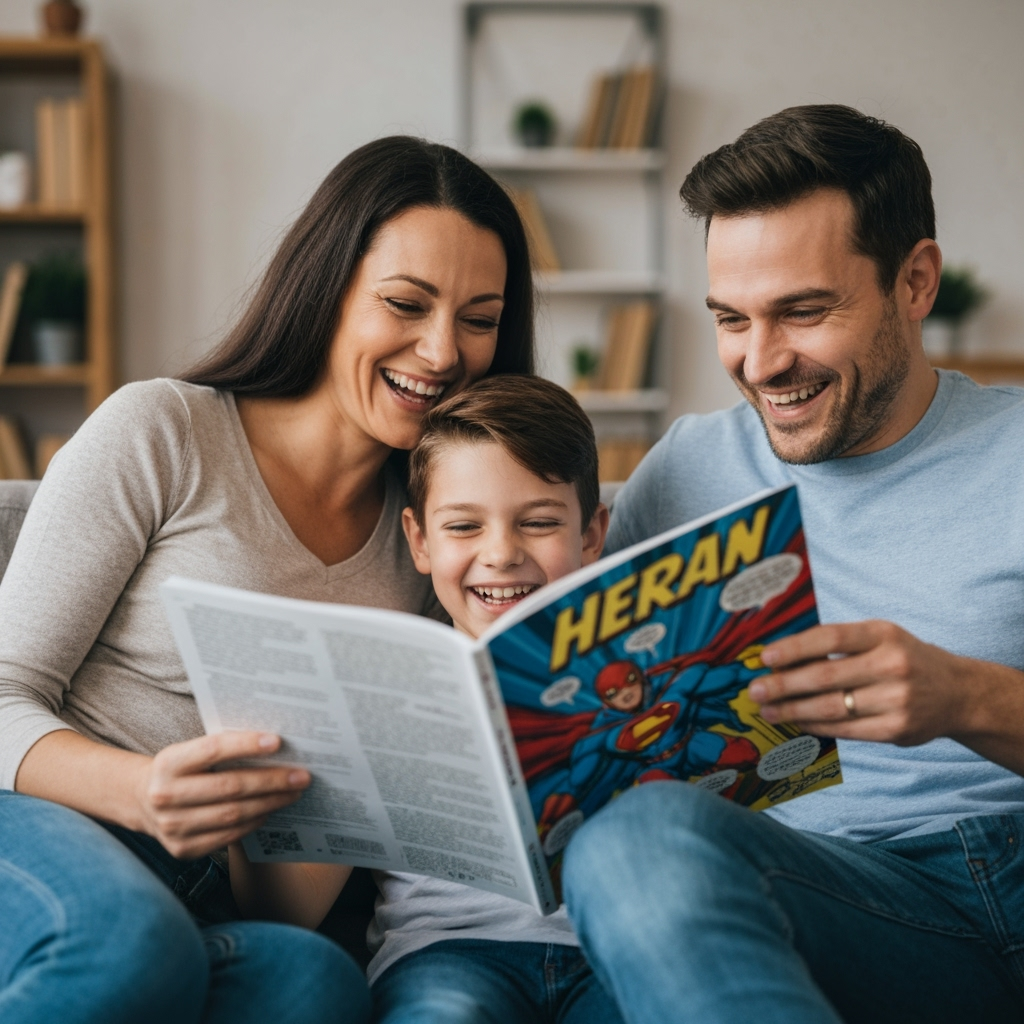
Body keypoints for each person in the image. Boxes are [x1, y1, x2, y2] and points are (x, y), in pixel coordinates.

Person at [0, 136, 533, 1023]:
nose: (443, 353)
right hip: (48, 823)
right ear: (328, 288)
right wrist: (141, 791)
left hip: (214, 891)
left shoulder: (437, 543)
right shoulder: (165, 431)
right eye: (406, 303)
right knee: (132, 944)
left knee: (314, 984)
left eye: (479, 319)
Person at [559, 104, 1024, 1024]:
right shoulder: (685, 469)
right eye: (731, 318)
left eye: (804, 312)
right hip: (755, 890)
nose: (762, 362)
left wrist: (965, 699)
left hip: (983, 887)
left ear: (916, 281)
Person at [234, 374, 620, 1023]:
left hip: (610, 953)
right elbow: (286, 909)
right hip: (446, 954)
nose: (500, 553)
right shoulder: (384, 683)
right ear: (420, 540)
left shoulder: (640, 667)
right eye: (464, 526)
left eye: (539, 522)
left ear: (590, 534)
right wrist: (247, 796)